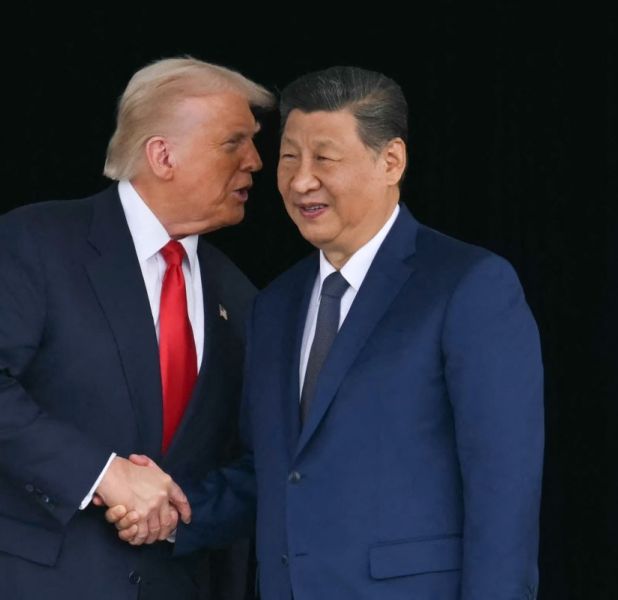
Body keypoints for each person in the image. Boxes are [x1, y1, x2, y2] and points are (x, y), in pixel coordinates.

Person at [112, 65, 544, 599]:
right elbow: (267, 472)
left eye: (325, 158)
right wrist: (174, 517)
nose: (299, 180)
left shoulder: (468, 287)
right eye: (290, 156)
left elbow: (503, 496)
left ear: (391, 161)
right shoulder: (272, 306)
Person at [0, 56, 274, 599]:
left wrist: (177, 517)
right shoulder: (36, 242)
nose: (257, 162)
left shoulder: (244, 298)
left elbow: (255, 460)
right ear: (162, 155)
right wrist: (103, 474)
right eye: (234, 142)